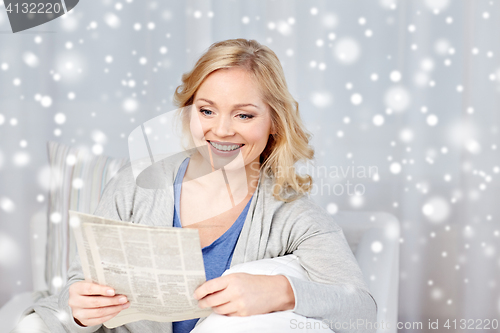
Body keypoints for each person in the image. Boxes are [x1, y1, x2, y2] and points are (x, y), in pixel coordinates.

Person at [12, 38, 377, 333]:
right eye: (207, 110)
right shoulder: (136, 185)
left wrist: (281, 292)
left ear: (274, 123)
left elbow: (362, 311)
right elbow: (78, 286)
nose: (221, 130)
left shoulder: (292, 213)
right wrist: (79, 312)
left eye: (244, 115)